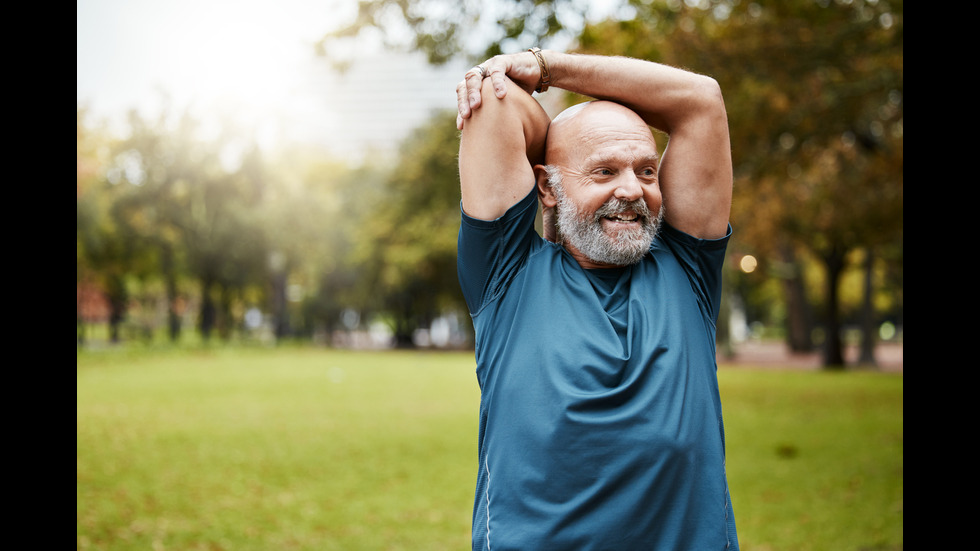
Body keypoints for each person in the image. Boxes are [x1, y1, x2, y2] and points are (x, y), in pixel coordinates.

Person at [455, 49, 738, 550]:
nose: (632, 189)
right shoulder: (507, 276)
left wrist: (547, 68)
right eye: (604, 172)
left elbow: (701, 100)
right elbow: (496, 106)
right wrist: (559, 148)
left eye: (647, 171)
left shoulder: (687, 267)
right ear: (546, 186)